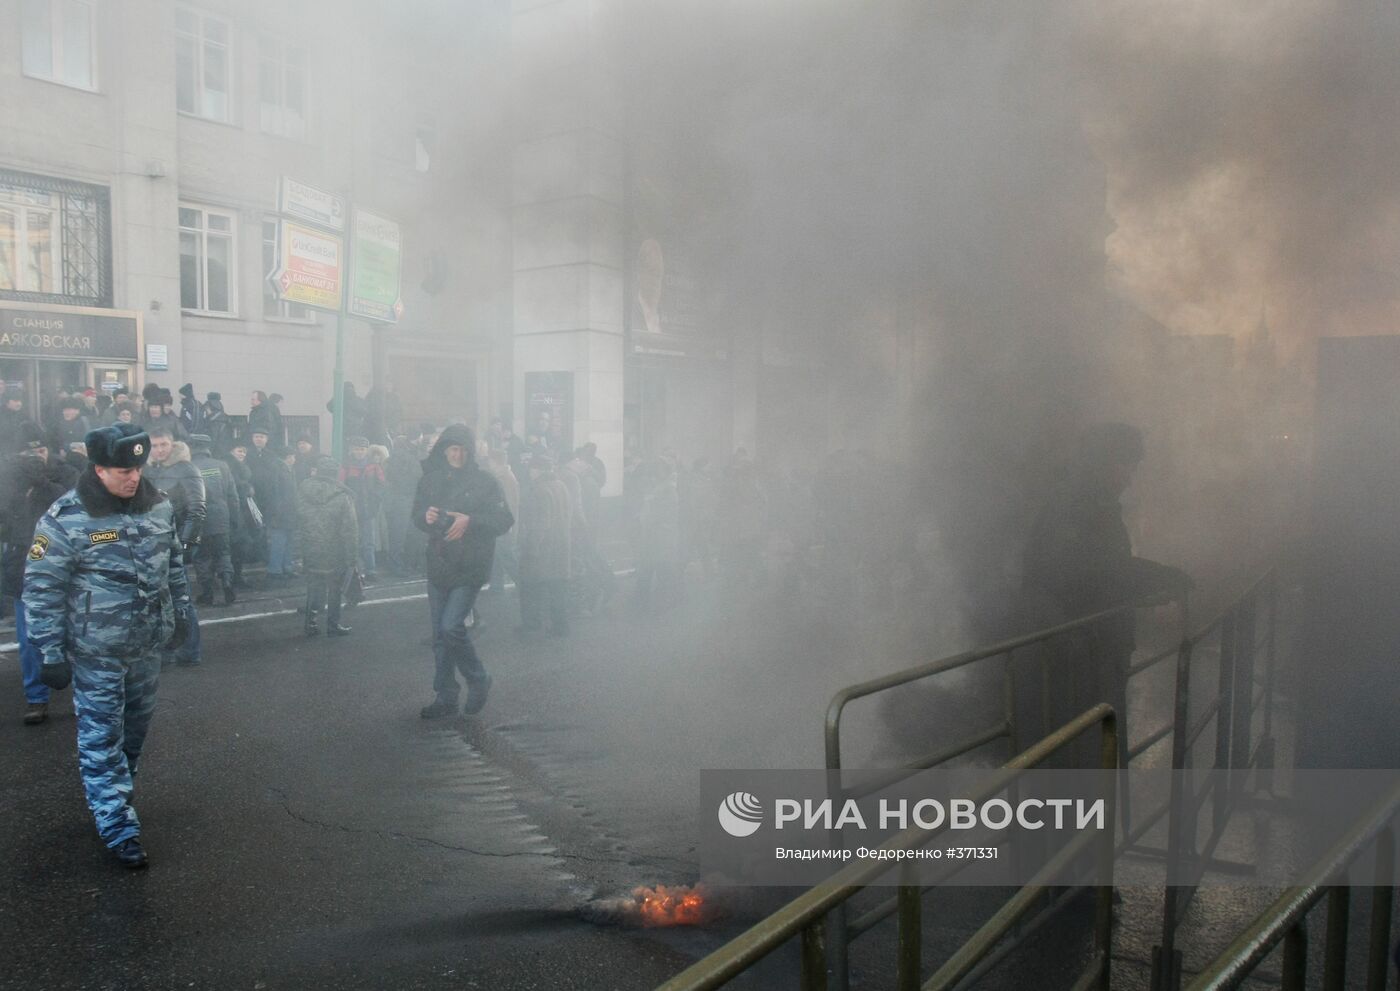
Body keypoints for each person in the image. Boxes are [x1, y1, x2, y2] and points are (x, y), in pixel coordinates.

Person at [24, 423, 193, 867]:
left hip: (145, 647)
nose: (132, 477)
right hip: (96, 651)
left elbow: (173, 563)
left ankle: (117, 798)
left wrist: (183, 614)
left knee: (134, 735)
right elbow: (41, 589)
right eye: (121, 470)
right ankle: (118, 826)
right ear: (98, 469)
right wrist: (50, 652)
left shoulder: (157, 507)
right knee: (102, 738)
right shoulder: (66, 517)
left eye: (136, 467)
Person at [1022, 422, 1193, 767]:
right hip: (1083, 655)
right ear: (1103, 461)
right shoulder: (1076, 506)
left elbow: (1105, 567)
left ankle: (1088, 811)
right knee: (1086, 747)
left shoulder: (1083, 502)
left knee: (1095, 745)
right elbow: (1097, 571)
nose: (1129, 477)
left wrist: (1154, 580)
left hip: (1094, 649)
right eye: (1125, 465)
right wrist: (1160, 578)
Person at [412, 425, 514, 719]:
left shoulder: (485, 481)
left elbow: (504, 519)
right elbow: (416, 515)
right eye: (452, 449)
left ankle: (478, 678)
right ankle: (445, 695)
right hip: (439, 562)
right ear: (444, 449)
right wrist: (425, 516)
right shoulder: (430, 479)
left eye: (462, 450)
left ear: (470, 452)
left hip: (471, 563)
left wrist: (470, 520)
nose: (457, 455)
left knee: (451, 627)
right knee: (439, 637)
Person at [0, 423, 76, 724]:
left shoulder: (66, 473)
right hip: (24, 570)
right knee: (29, 640)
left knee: (73, 636)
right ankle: (37, 698)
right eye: (29, 452)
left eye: (41, 450)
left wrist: (42, 483)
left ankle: (81, 694)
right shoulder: (7, 480)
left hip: (63, 569)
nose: (36, 456)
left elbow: (73, 510)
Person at [144, 430, 206, 666]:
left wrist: (186, 544)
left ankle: (190, 650)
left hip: (176, 542)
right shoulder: (150, 470)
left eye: (164, 444)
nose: (160, 449)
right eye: (155, 445)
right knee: (161, 599)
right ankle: (169, 650)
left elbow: (197, 509)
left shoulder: (186, 468)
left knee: (181, 598)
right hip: (154, 542)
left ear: (173, 445)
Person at [298, 456, 357, 637]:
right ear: (336, 473)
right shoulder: (343, 495)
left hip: (310, 545)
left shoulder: (302, 490)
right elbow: (350, 530)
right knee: (334, 587)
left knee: (314, 586)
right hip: (334, 548)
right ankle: (333, 624)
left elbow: (299, 518)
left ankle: (310, 623)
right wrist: (352, 557)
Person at [517, 451, 571, 637]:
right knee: (558, 587)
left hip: (543, 548)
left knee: (530, 586)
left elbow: (541, 524)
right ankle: (561, 625)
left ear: (537, 470)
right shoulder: (561, 485)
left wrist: (531, 548)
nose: (530, 472)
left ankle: (532, 623)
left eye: (531, 468)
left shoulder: (539, 490)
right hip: (561, 543)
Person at [189, 434, 240, 606]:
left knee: (202, 557)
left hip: (199, 520)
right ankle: (227, 582)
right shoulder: (222, 466)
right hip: (221, 518)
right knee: (223, 553)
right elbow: (233, 496)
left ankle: (207, 593)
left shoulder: (188, 468)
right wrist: (234, 518)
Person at [339, 436, 386, 581]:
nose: (359, 452)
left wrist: (375, 501)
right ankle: (354, 571)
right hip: (350, 511)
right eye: (357, 449)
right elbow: (340, 486)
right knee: (352, 542)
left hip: (368, 511)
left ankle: (370, 571)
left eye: (362, 449)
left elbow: (383, 485)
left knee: (368, 542)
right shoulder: (345, 466)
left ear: (366, 451)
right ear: (352, 450)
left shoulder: (374, 466)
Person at [261, 445, 299, 583]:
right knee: (280, 541)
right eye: (293, 456)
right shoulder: (279, 470)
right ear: (289, 457)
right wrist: (277, 512)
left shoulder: (286, 469)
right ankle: (275, 569)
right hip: (282, 513)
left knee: (286, 541)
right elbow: (275, 493)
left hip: (287, 512)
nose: (294, 459)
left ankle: (285, 567)